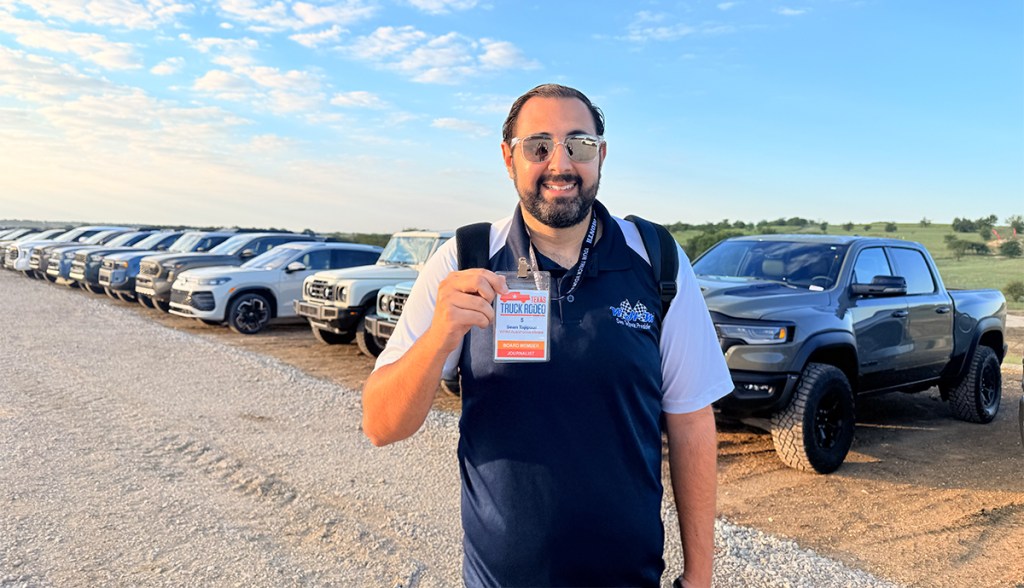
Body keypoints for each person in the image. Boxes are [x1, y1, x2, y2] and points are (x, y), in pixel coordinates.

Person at [362, 83, 733, 588]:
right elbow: (381, 425)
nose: (560, 164)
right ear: (508, 159)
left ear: (601, 155)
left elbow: (691, 421)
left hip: (630, 577)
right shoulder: (464, 259)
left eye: (579, 144)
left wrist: (700, 576)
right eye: (538, 146)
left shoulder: (656, 259)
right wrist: (438, 339)